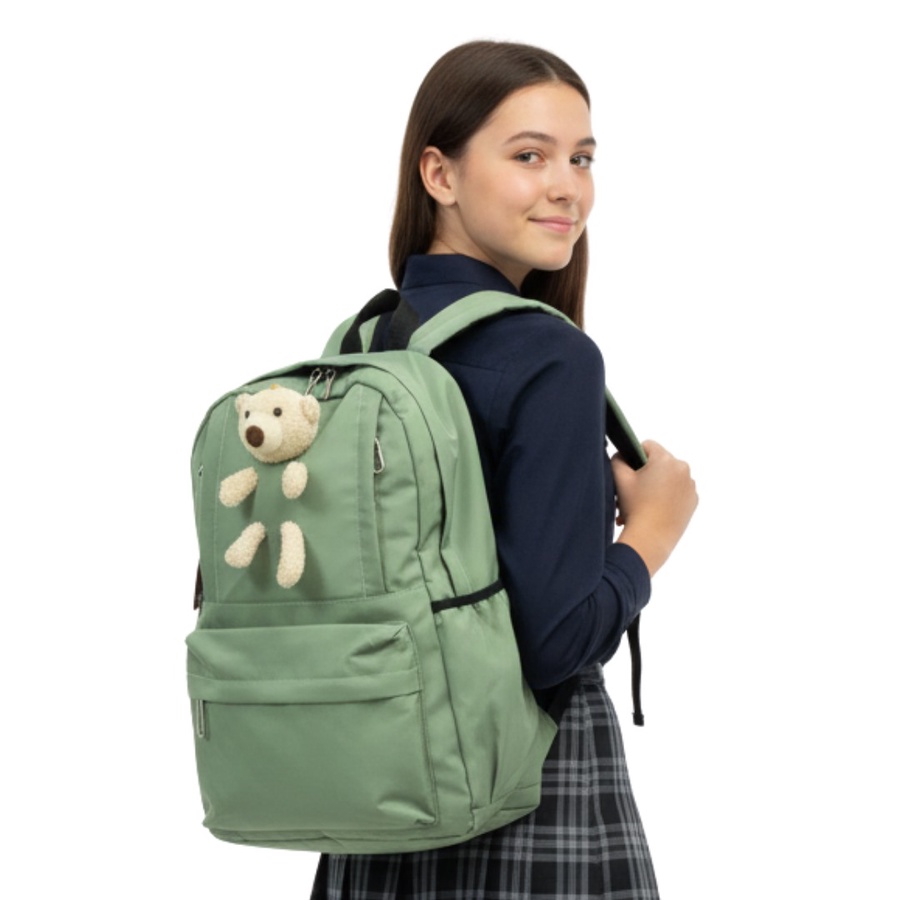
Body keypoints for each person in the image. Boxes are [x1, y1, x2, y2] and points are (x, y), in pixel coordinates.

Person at [311, 39, 698, 900]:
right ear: (439, 175)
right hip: (524, 798)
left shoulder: (361, 345)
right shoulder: (548, 357)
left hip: (377, 798)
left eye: (582, 159)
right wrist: (651, 535)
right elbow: (553, 643)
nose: (567, 187)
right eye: (530, 156)